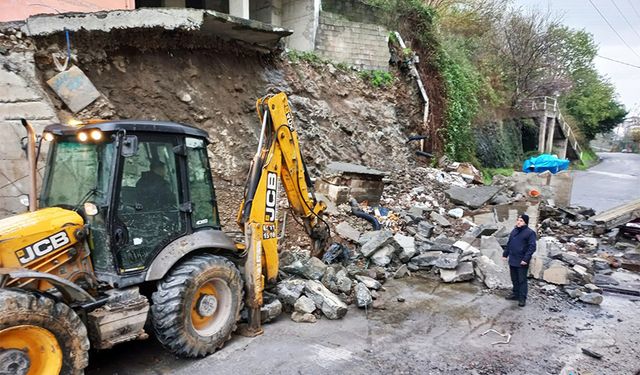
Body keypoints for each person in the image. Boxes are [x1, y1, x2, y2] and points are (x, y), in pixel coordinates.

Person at [502, 213, 537, 307]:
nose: (518, 222)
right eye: (518, 220)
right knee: (514, 278)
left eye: (521, 221)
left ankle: (522, 298)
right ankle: (515, 294)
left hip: (522, 260)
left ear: (525, 222)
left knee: (522, 280)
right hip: (513, 258)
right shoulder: (514, 231)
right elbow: (509, 243)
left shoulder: (530, 233)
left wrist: (526, 259)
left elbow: (532, 247)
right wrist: (505, 254)